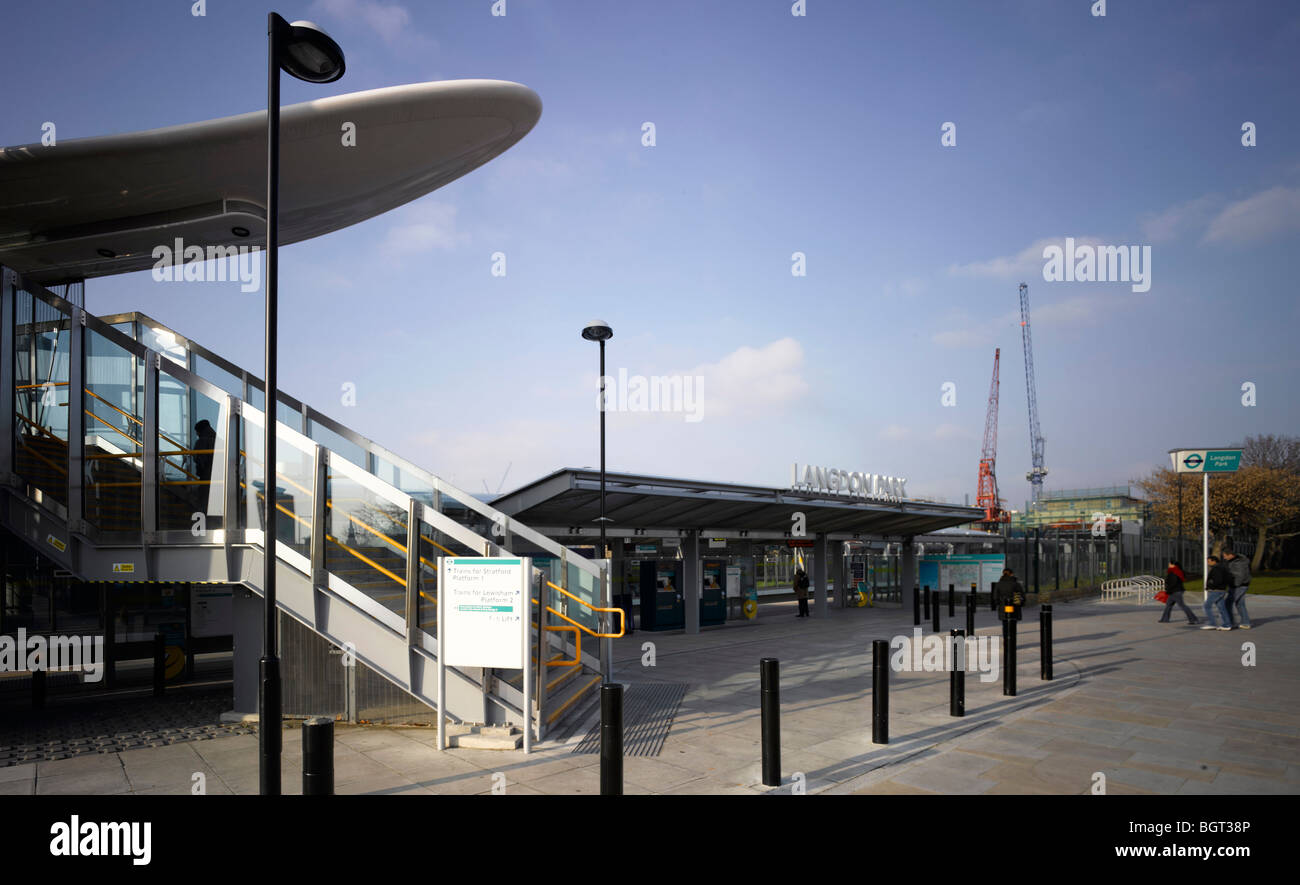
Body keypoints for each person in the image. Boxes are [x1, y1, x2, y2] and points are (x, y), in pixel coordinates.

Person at [1157, 560, 1198, 625]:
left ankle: (1193, 619)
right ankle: (1165, 619)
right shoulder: (1177, 571)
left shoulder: (1173, 572)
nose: (1168, 565)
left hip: (1175, 591)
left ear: (1173, 565)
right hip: (1175, 591)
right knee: (1168, 605)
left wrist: (1168, 590)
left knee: (1182, 605)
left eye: (1169, 564)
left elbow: (1173, 582)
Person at [1222, 548, 1252, 630]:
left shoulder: (1238, 563)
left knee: (1227, 603)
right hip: (1241, 584)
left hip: (1239, 585)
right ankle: (1246, 623)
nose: (1224, 558)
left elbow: (1240, 576)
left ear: (1231, 555)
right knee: (1240, 603)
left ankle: (1230, 623)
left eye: (1225, 556)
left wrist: (1233, 586)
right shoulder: (1235, 561)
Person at [1201, 555, 1233, 631]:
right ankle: (1227, 624)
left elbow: (1218, 580)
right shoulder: (1221, 568)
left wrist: (1210, 585)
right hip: (1220, 590)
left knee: (1206, 606)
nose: (1208, 563)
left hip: (1216, 590)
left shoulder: (1217, 569)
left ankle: (1212, 623)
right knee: (1222, 608)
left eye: (1209, 561)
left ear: (1214, 561)